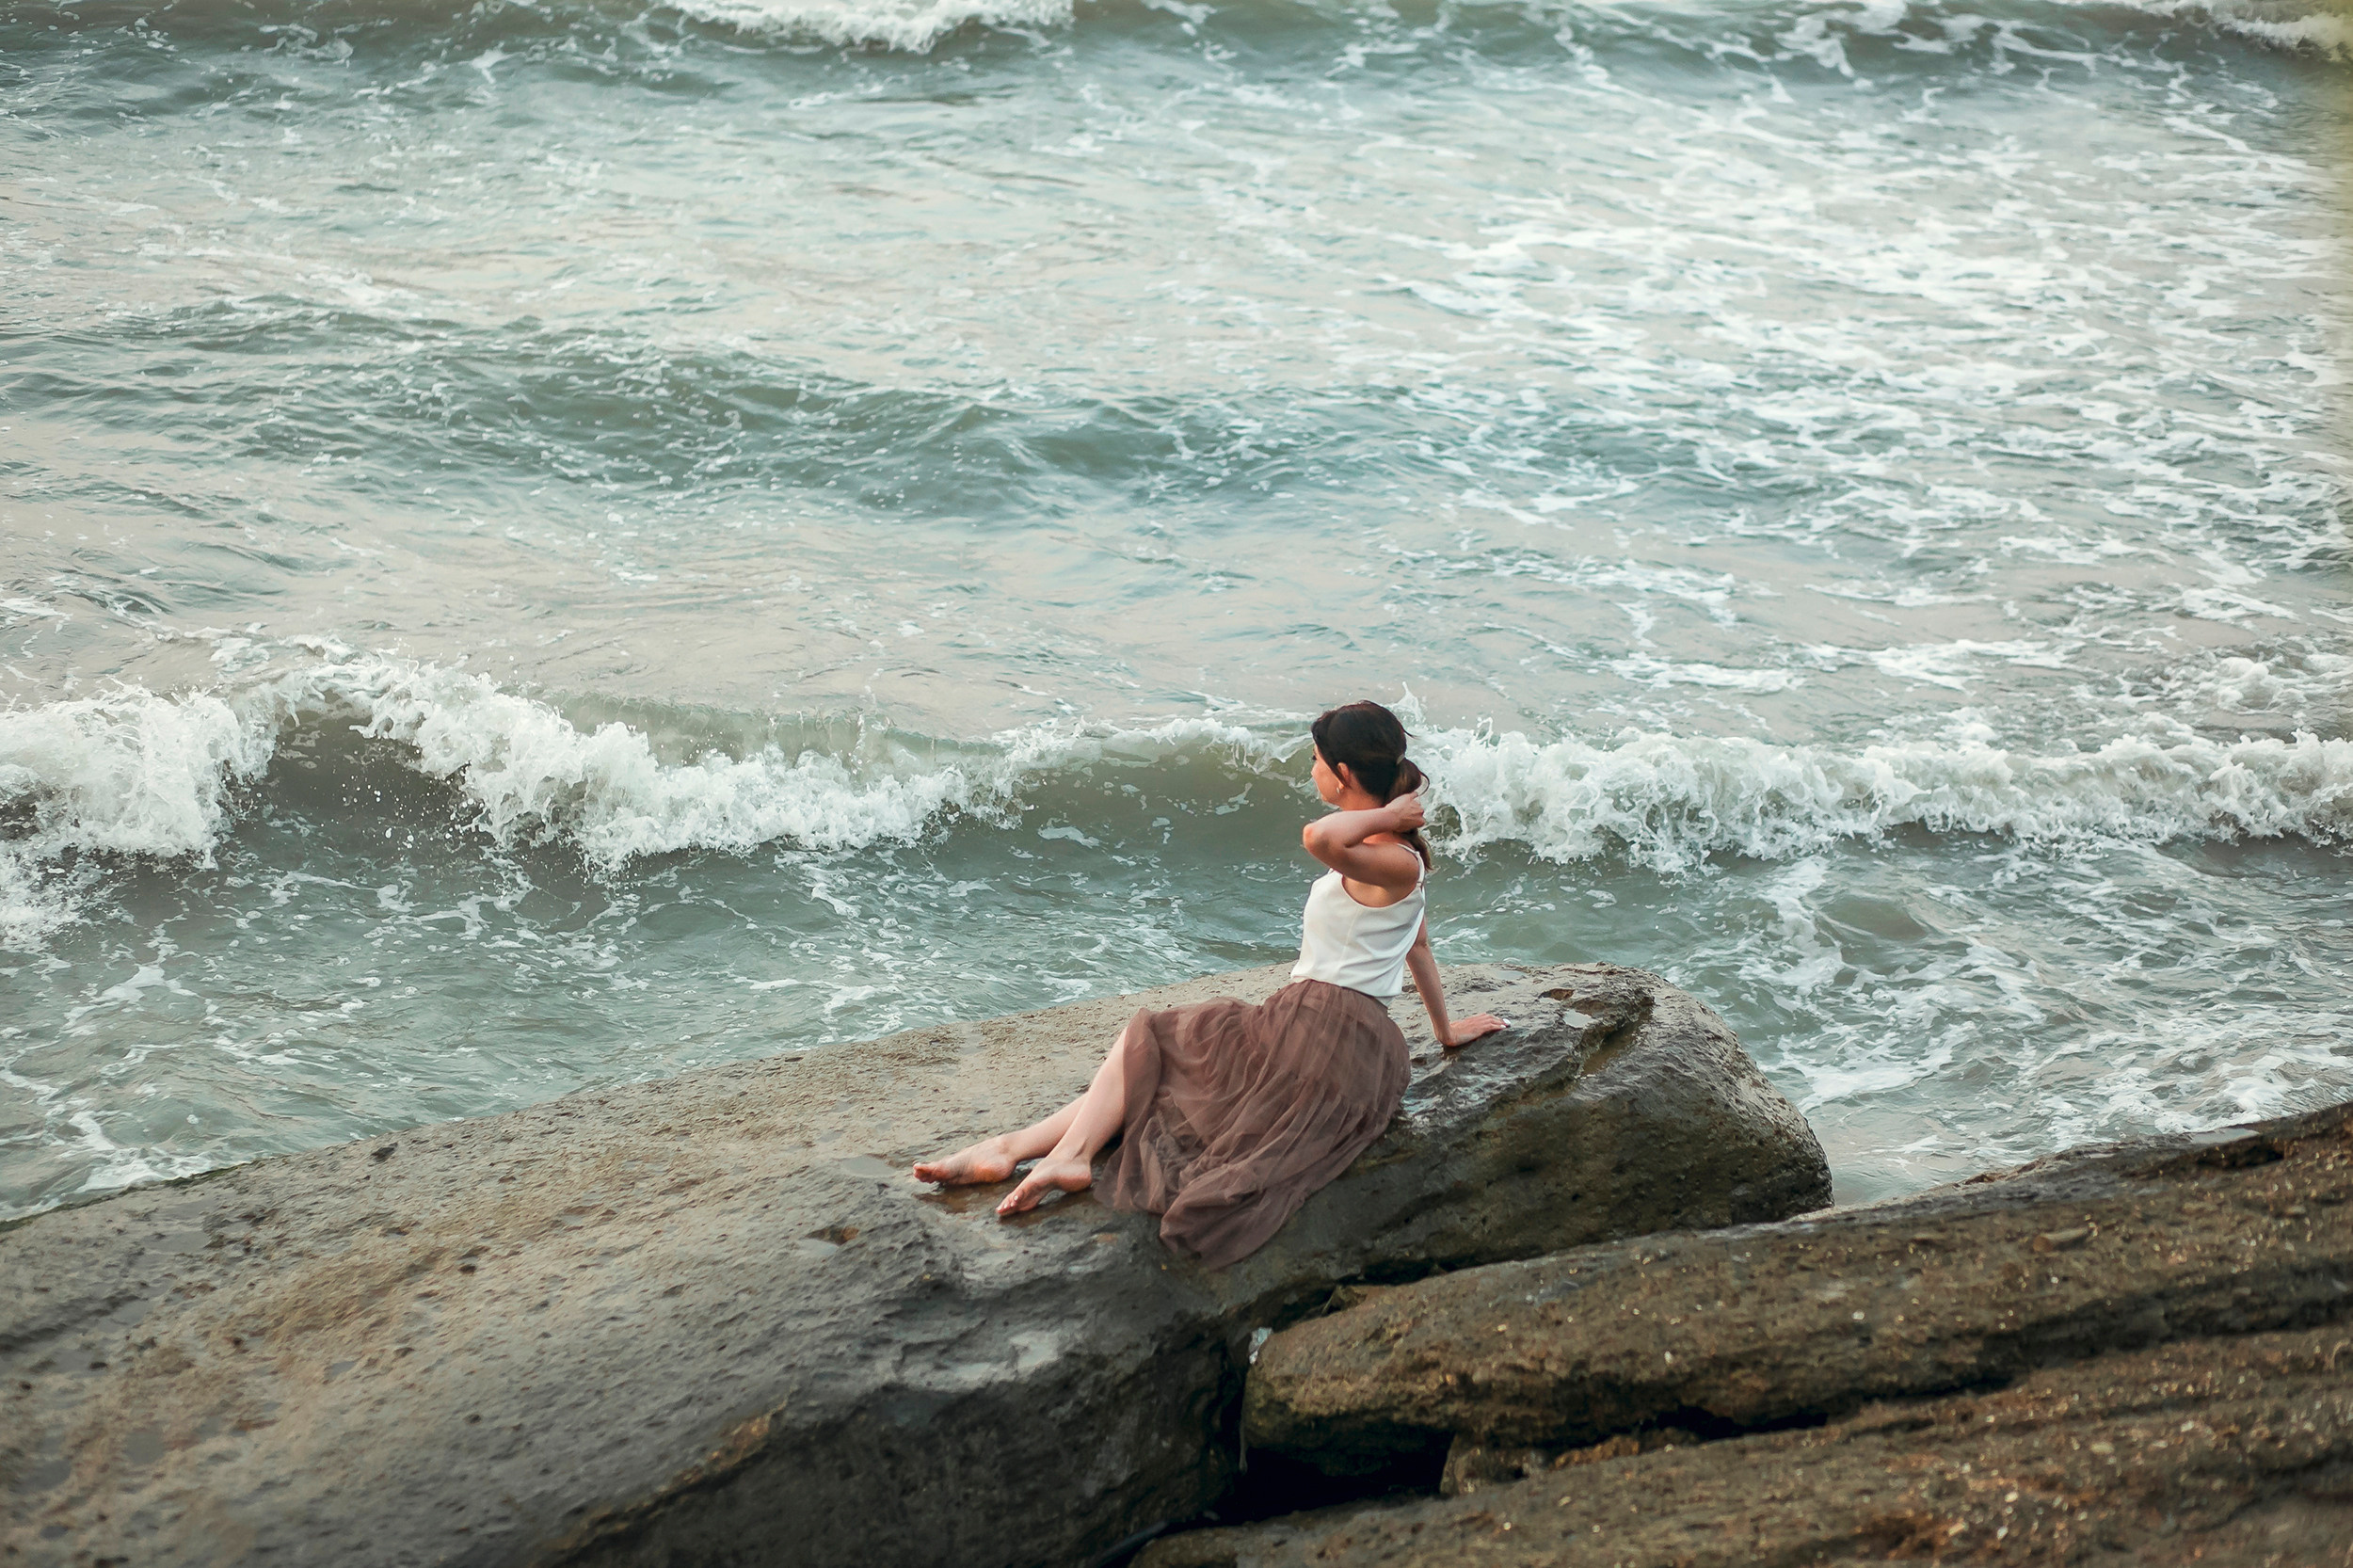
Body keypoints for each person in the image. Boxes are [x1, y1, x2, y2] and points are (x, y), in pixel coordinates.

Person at [912, 700, 1508, 1268]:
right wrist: (1445, 1032)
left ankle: (1066, 1155)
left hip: (1324, 1027)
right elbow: (1419, 944)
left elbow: (1317, 839)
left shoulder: (1392, 858)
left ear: (1343, 773)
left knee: (1157, 1034)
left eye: (1316, 761)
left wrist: (1387, 816)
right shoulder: (1389, 855)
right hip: (1333, 1031)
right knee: (1162, 1071)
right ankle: (1013, 1148)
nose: (1311, 771)